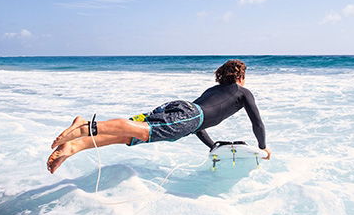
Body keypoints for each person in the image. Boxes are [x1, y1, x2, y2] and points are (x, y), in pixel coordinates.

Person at [47, 59, 270, 173]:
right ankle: (86, 125)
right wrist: (263, 147)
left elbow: (196, 124)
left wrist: (212, 146)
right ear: (241, 76)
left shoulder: (212, 91)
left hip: (181, 109)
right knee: (142, 132)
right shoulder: (243, 92)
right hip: (189, 114)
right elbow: (257, 122)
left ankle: (75, 146)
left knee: (130, 135)